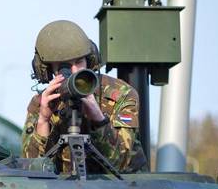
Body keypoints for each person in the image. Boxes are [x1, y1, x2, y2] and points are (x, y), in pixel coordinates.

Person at [21, 19, 147, 174]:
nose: (75, 71)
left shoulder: (120, 94)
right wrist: (43, 121)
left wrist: (98, 119)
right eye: (65, 67)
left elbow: (121, 164)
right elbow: (30, 170)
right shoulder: (41, 104)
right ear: (47, 71)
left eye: (79, 62)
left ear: (90, 59)